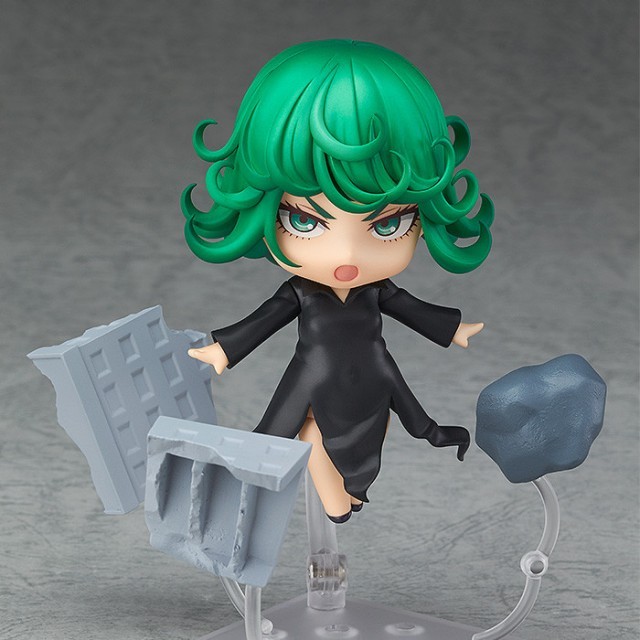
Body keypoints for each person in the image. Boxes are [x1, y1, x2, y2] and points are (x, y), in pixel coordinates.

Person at [184, 40, 494, 523]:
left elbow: (409, 307)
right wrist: (223, 349)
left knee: (372, 437)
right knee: (300, 434)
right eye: (304, 221)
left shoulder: (376, 290)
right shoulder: (302, 292)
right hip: (315, 377)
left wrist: (452, 328)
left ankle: (351, 490)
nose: (347, 257)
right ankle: (330, 492)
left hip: (373, 377)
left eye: (388, 224)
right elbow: (266, 319)